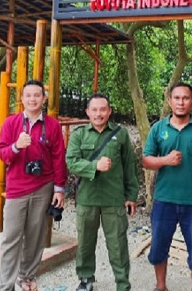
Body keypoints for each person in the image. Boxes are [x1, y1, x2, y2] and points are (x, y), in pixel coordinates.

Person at [142, 82, 192, 291]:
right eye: (177, 98)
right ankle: (161, 286)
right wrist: (165, 160)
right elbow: (146, 160)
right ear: (170, 101)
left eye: (185, 98)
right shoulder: (159, 128)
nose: (181, 102)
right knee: (158, 248)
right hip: (164, 200)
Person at [0, 79, 67, 291]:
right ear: (21, 98)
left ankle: (26, 276)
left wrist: (59, 188)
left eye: (37, 95)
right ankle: (6, 285)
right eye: (28, 95)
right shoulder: (11, 123)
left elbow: (59, 158)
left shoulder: (53, 125)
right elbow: (2, 154)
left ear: (44, 98)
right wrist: (16, 146)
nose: (32, 99)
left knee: (35, 236)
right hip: (16, 188)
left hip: (43, 186)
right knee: (11, 237)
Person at [66, 93, 139, 291]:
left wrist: (131, 196)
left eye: (103, 110)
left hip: (113, 198)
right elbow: (71, 162)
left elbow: (129, 167)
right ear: (87, 112)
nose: (98, 114)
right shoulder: (79, 134)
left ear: (109, 111)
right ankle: (86, 279)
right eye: (94, 110)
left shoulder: (120, 134)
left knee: (118, 244)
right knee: (85, 243)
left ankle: (122, 283)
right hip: (87, 198)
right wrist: (95, 166)